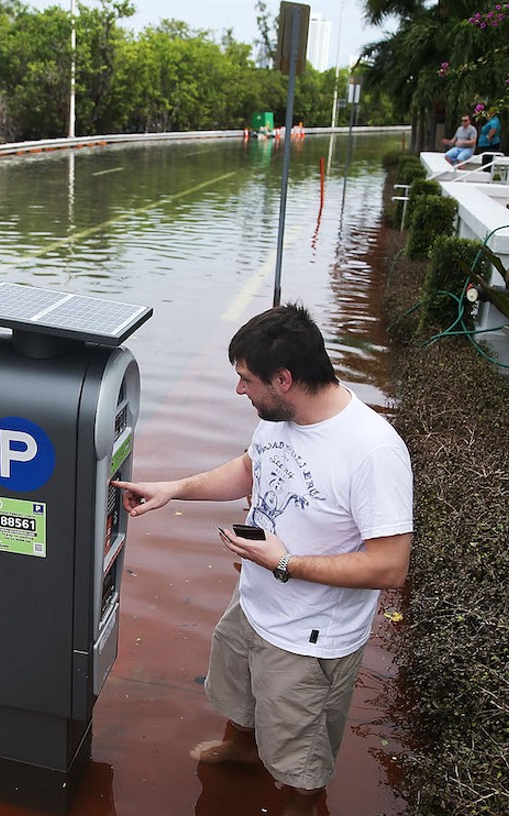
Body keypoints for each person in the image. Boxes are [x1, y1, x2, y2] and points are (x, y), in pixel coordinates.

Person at [111, 305, 414, 816]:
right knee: (240, 693)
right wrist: (174, 489)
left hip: (310, 636)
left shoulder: (372, 451)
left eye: (245, 380)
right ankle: (241, 749)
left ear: (285, 378)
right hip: (255, 602)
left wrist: (286, 562)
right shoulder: (281, 416)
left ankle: (301, 801)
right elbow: (252, 469)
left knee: (300, 754)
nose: (239, 391)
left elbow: (391, 567)